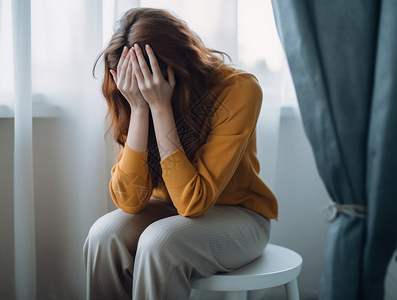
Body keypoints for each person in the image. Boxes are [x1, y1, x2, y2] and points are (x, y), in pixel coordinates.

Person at [83, 7, 278, 300]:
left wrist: (160, 108)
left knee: (160, 242)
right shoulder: (129, 94)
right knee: (103, 236)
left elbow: (192, 202)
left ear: (177, 68)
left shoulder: (239, 89)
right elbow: (129, 200)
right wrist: (138, 109)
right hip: (168, 208)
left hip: (240, 216)